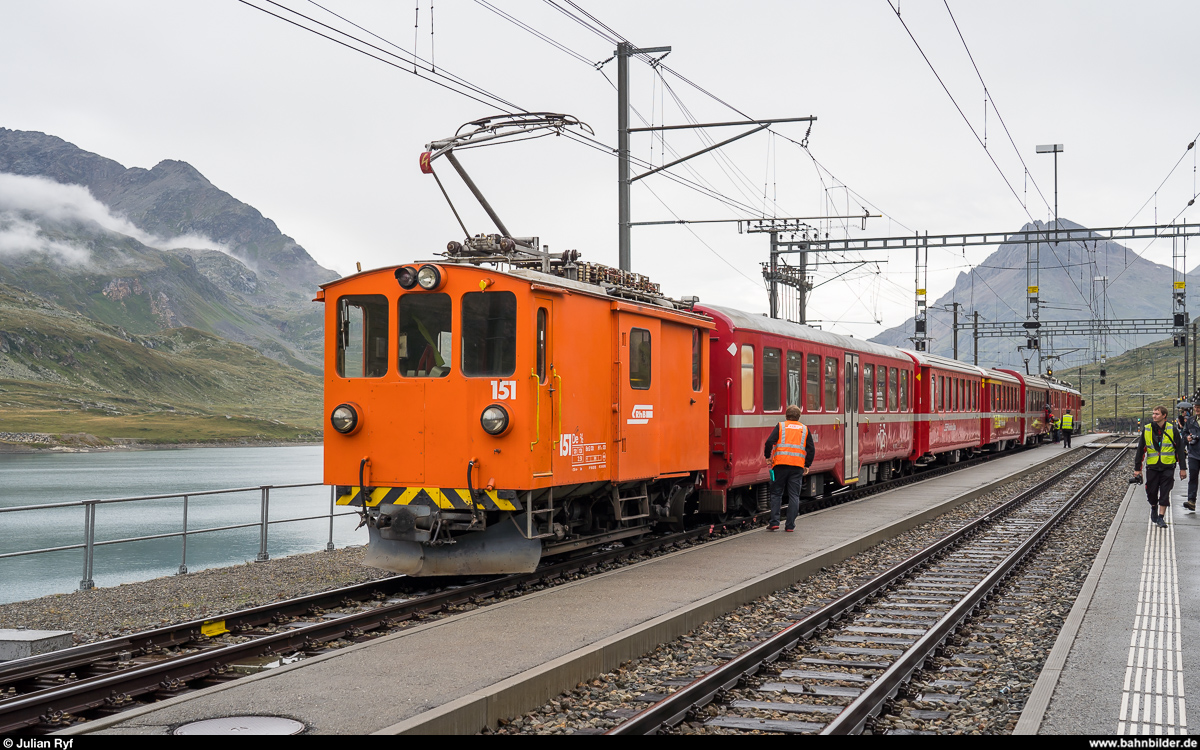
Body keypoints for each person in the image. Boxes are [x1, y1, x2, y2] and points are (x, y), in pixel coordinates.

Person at [763, 404, 816, 532]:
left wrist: (767, 456)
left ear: (786, 415)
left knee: (776, 493)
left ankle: (774, 522)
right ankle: (790, 525)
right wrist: (806, 465)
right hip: (797, 467)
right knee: (794, 495)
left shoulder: (781, 426)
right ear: (799, 417)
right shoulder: (804, 429)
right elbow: (811, 449)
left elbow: (769, 442)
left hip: (779, 465)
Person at [1134, 405, 1188, 528]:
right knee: (1151, 491)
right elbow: (1140, 450)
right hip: (1152, 467)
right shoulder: (1147, 429)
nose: (1154, 416)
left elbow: (1179, 450)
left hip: (1168, 467)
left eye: (1157, 414)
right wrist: (1137, 469)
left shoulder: (1172, 429)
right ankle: (1153, 506)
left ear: (1164, 415)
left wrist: (1183, 469)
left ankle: (1161, 517)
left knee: (1165, 492)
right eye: (1153, 413)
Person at [1178, 401, 1200, 511]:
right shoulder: (1191, 420)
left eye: (1199, 407)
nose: (1197, 409)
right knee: (1193, 477)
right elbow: (1185, 433)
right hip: (1194, 453)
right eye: (1196, 407)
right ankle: (1191, 501)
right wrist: (1187, 438)